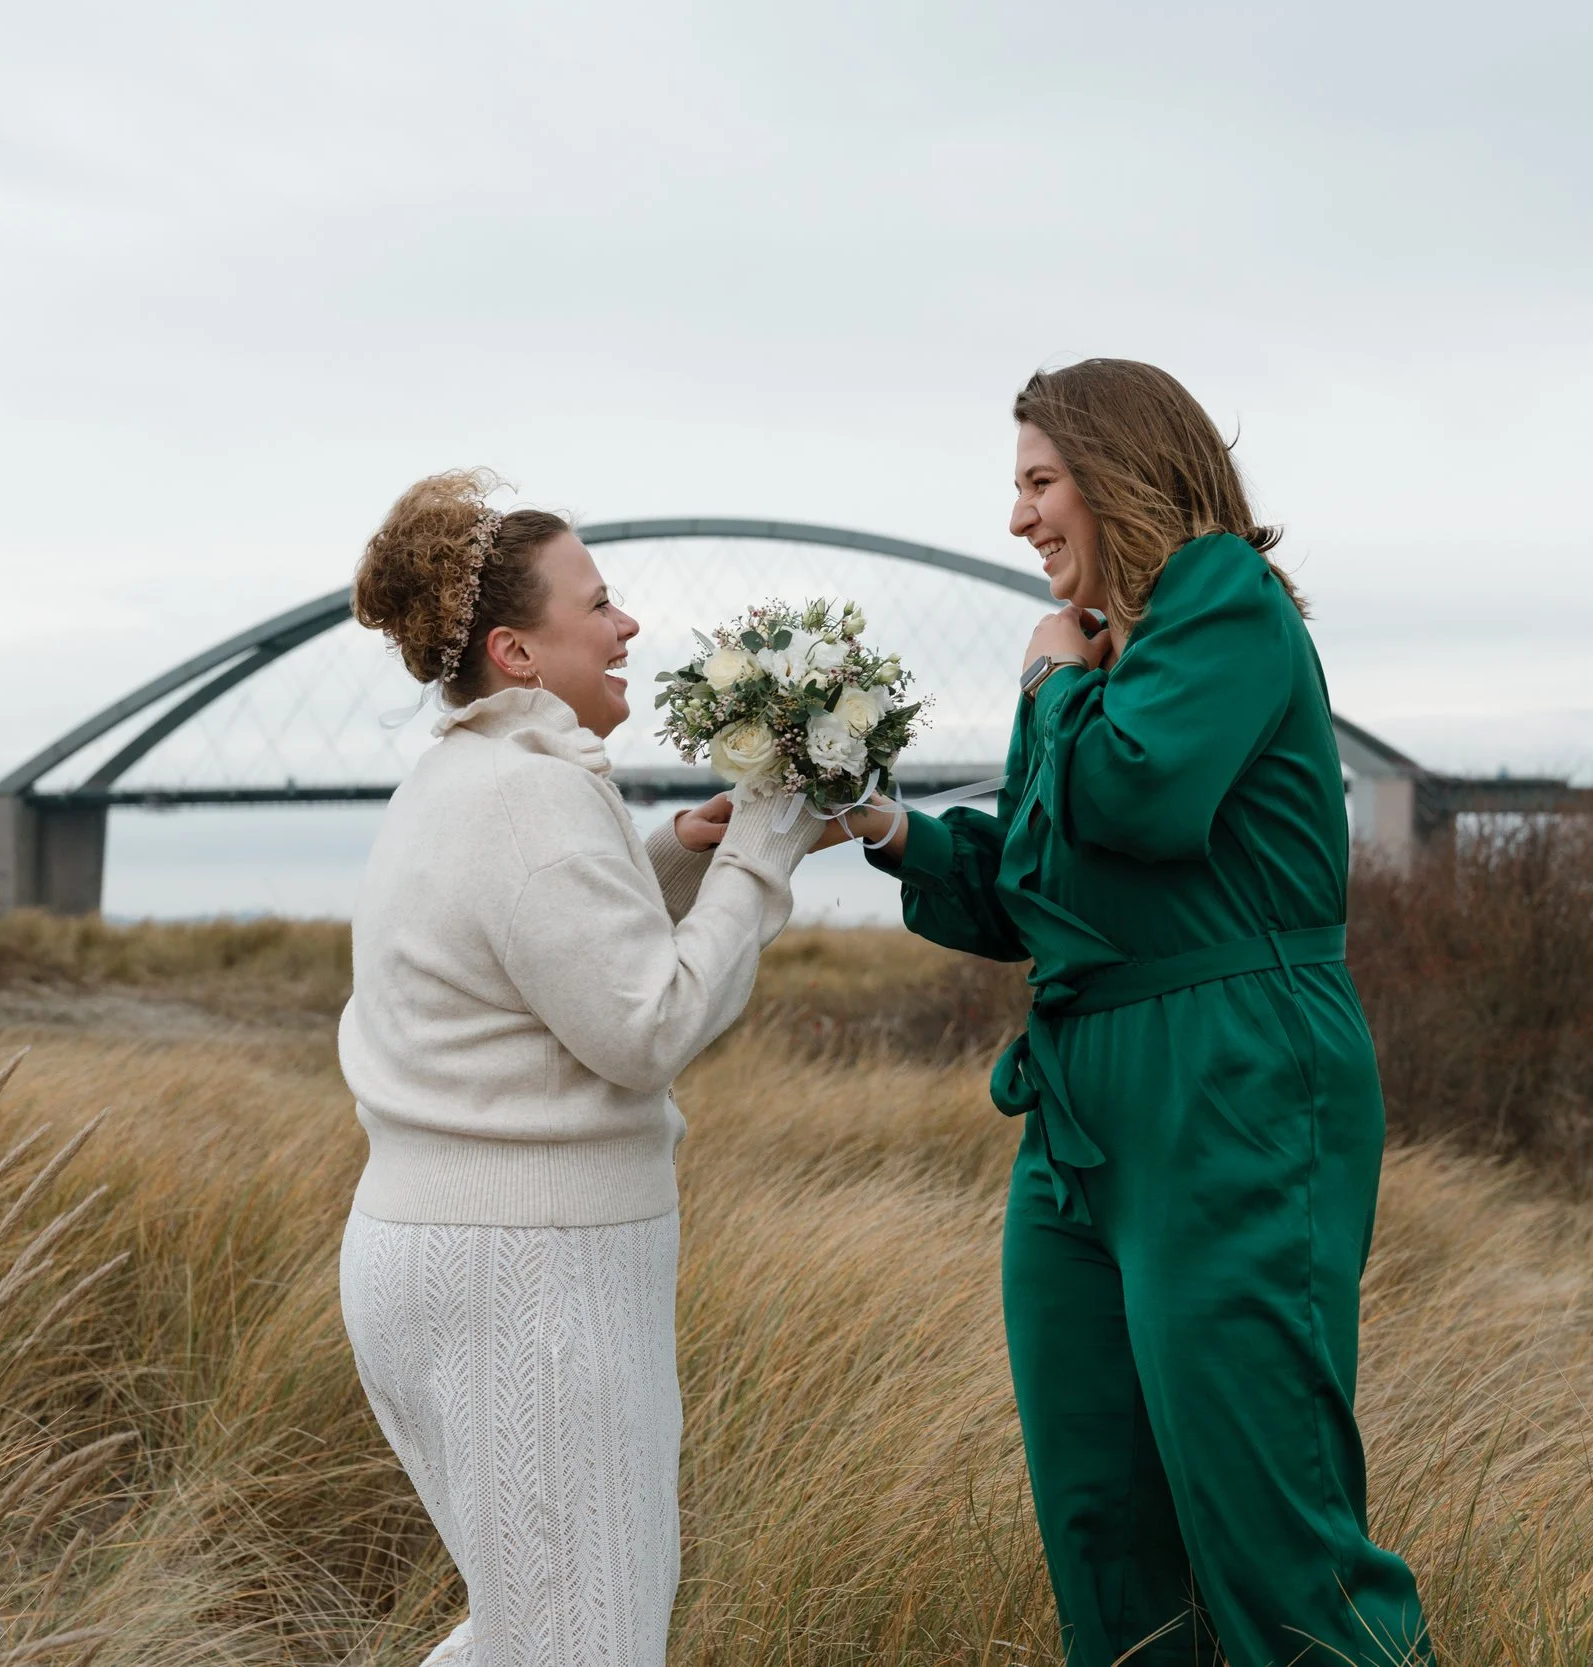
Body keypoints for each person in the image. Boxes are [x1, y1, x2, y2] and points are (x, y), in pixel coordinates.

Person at [844, 362, 1432, 1666]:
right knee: (1105, 1525)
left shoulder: (1221, 594)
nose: (1019, 520)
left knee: (1276, 1533)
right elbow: (1036, 891)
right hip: (1081, 1115)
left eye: (1039, 482)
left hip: (1230, 1083)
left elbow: (1140, 798)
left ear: (1117, 476)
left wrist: (1054, 685)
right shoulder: (1099, 657)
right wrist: (887, 824)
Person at [333, 469, 825, 1667]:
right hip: (530, 1279)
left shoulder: (470, 779)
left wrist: (666, 851)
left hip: (437, 1251)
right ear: (514, 650)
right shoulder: (531, 802)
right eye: (597, 603)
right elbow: (644, 1027)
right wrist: (758, 857)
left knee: (528, 1634)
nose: (628, 626)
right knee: (587, 1642)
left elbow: (532, 931)